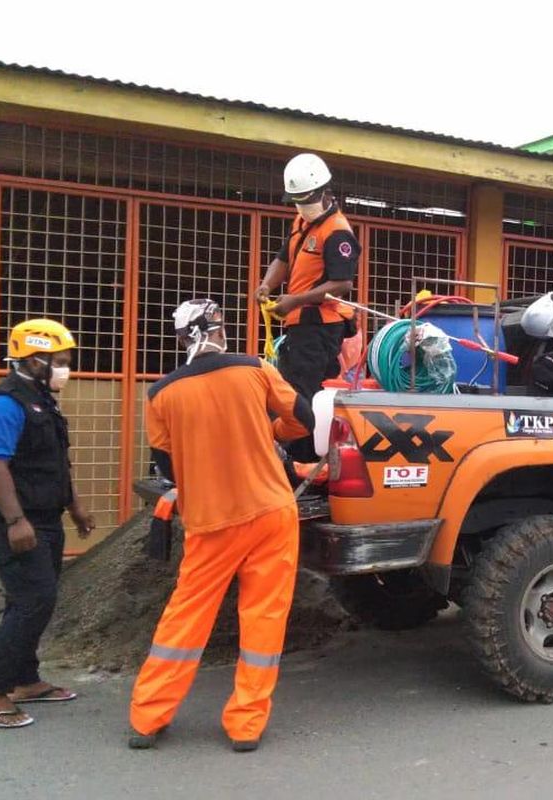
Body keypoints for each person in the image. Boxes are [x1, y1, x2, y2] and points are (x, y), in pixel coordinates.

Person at [128, 299, 314, 752]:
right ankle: (246, 725)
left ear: (179, 339)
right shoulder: (254, 369)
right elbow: (304, 419)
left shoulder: (161, 395)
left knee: (186, 617)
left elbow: (167, 465)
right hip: (272, 513)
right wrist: (270, 432)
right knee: (264, 619)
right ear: (220, 330)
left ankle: (148, 719)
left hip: (211, 524)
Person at [0, 319, 95, 729]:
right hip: (14, 522)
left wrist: (75, 506)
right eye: (58, 362)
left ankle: (24, 679)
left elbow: (55, 461)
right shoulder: (3, 404)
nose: (65, 369)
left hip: (45, 517)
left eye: (66, 361)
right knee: (33, 599)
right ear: (32, 361)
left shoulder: (42, 400)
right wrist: (15, 521)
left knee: (39, 598)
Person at [255, 154, 360, 414]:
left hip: (320, 327)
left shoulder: (337, 231)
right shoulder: (302, 222)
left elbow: (342, 284)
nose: (302, 207)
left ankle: (305, 452)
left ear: (325, 192)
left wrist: (295, 300)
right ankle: (299, 449)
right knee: (293, 387)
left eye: (307, 200)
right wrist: (266, 285)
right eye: (297, 201)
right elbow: (283, 258)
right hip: (301, 325)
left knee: (304, 394)